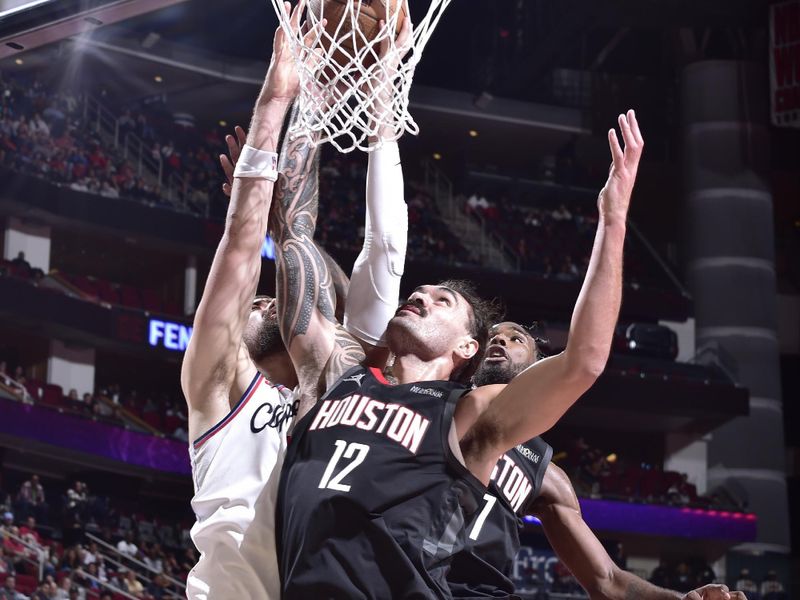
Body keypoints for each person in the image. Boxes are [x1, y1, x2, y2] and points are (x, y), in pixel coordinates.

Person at [274, 63, 637, 596]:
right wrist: (302, 100)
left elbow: (583, 362)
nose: (419, 295)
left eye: (443, 300)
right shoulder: (337, 373)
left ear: (469, 346)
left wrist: (613, 221)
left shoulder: (467, 417)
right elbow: (293, 236)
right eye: (418, 292)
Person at [181, 2, 408, 598]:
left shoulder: (342, 380)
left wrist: (325, 92)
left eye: (268, 299)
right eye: (258, 302)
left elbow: (377, 250)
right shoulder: (218, 385)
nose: (260, 301)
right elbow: (239, 249)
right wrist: (279, 100)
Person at [449, 321, 747, 600]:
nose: (500, 339)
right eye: (493, 336)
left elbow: (607, 581)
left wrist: (682, 599)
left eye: (516, 338)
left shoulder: (545, 474)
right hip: (416, 576)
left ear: (536, 365)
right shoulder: (436, 405)